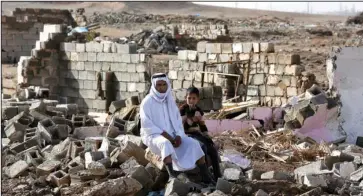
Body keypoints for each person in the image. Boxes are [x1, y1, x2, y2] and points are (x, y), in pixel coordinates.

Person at [139, 73, 215, 184]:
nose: (161, 87)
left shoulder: (169, 100)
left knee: (194, 144)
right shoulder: (147, 102)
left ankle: (206, 176)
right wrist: (168, 137)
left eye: (163, 84)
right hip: (154, 135)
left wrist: (179, 135)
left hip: (173, 135)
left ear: (167, 85)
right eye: (158, 85)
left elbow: (178, 122)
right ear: (154, 86)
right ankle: (172, 177)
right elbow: (147, 125)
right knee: (165, 143)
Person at [179, 87, 222, 180]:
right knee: (203, 147)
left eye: (194, 98)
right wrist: (191, 119)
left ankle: (218, 175)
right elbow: (182, 127)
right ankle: (206, 176)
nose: (191, 100)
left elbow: (202, 126)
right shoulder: (182, 110)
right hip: (186, 135)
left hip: (197, 134)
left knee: (212, 149)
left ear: (197, 99)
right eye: (189, 98)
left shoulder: (199, 111)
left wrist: (207, 135)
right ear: (186, 98)